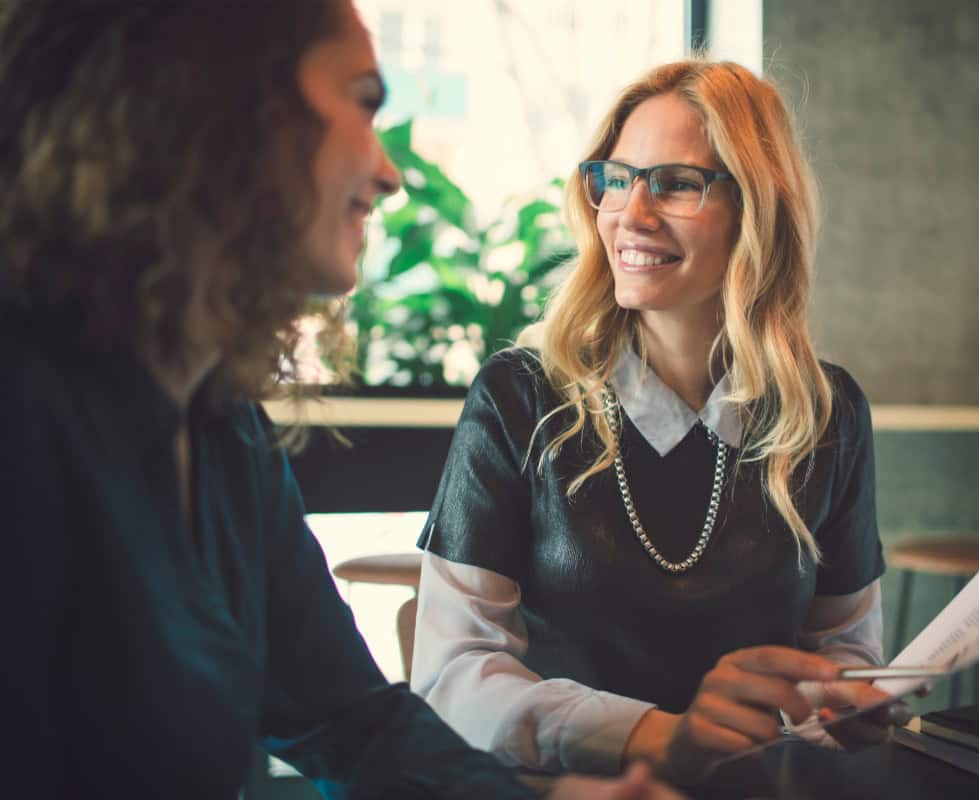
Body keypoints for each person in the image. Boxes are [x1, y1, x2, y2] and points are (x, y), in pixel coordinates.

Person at [0, 2, 680, 798]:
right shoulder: (26, 414)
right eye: (363, 102)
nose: (389, 172)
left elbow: (347, 721)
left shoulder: (223, 429)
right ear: (216, 107)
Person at [411, 59, 911, 785]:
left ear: (756, 208)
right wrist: (649, 736)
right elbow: (452, 676)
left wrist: (841, 703)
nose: (630, 213)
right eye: (616, 177)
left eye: (676, 183)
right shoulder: (518, 397)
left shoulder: (825, 412)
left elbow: (844, 650)